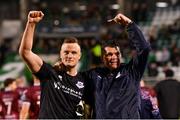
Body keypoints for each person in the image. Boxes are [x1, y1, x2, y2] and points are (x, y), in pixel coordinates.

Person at [19, 11, 90, 119]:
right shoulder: (49, 73)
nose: (69, 56)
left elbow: (85, 112)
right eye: (66, 52)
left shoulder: (84, 81)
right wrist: (31, 24)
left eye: (73, 53)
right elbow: (25, 52)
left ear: (79, 56)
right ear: (60, 54)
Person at [86, 13, 151, 119]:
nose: (114, 57)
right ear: (103, 58)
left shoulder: (131, 71)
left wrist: (129, 24)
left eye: (117, 54)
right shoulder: (94, 75)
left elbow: (144, 49)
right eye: (109, 54)